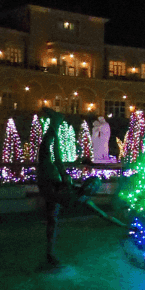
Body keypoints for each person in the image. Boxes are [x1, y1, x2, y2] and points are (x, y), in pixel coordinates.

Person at [36, 109, 98, 266]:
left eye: (92, 183)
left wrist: (56, 133)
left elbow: (57, 158)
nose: (91, 183)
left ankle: (55, 121)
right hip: (52, 187)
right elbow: (104, 214)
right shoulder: (81, 196)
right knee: (52, 221)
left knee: (44, 150)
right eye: (93, 182)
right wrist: (122, 224)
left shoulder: (73, 188)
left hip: (49, 183)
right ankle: (50, 253)